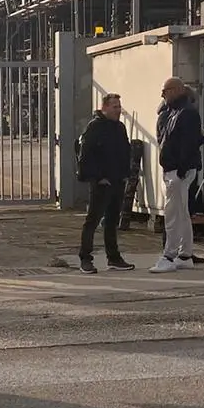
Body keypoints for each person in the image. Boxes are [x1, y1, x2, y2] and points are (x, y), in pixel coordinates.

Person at [76, 93, 136, 273]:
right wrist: (97, 177)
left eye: (119, 106)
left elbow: (125, 151)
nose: (118, 110)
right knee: (92, 220)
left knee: (112, 221)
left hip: (117, 180)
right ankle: (85, 258)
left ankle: (114, 258)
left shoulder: (119, 128)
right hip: (101, 183)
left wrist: (125, 174)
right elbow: (85, 155)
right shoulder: (95, 127)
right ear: (105, 108)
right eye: (114, 106)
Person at [151, 77, 204, 273]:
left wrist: (181, 168)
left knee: (173, 214)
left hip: (178, 170)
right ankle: (185, 254)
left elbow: (187, 143)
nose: (163, 95)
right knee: (181, 213)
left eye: (165, 91)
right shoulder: (174, 113)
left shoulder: (185, 113)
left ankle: (169, 255)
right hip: (176, 169)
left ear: (175, 90)